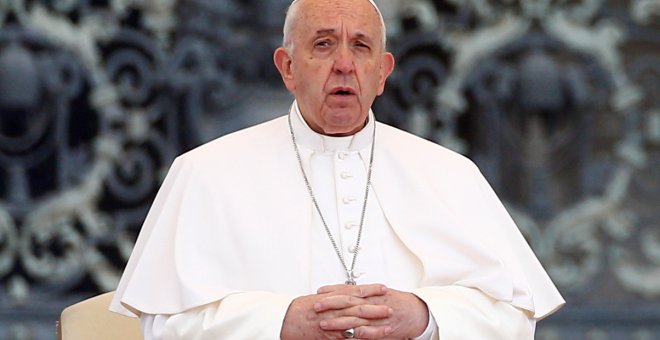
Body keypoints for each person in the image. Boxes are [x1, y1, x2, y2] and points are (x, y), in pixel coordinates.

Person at [110, 0, 565, 338]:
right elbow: (164, 326)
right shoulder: (204, 172)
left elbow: (513, 319)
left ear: (383, 72)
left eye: (361, 47)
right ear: (287, 67)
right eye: (323, 45)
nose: (344, 65)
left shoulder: (451, 174)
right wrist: (281, 322)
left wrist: (425, 317)